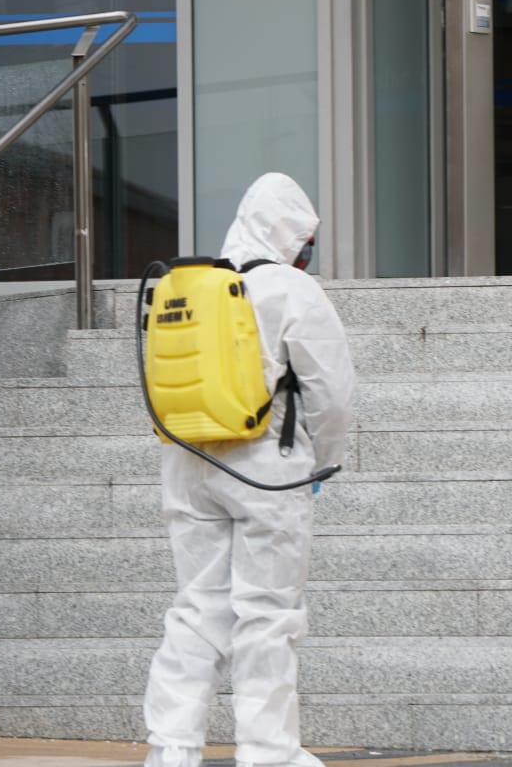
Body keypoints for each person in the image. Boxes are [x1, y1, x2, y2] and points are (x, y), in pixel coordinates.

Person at [142, 172, 356, 767]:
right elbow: (331, 389)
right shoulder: (289, 287)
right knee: (267, 611)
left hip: (186, 463)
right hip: (264, 467)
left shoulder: (192, 284)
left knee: (196, 606)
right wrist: (326, 459)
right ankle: (268, 752)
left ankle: (171, 748)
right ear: (293, 235)